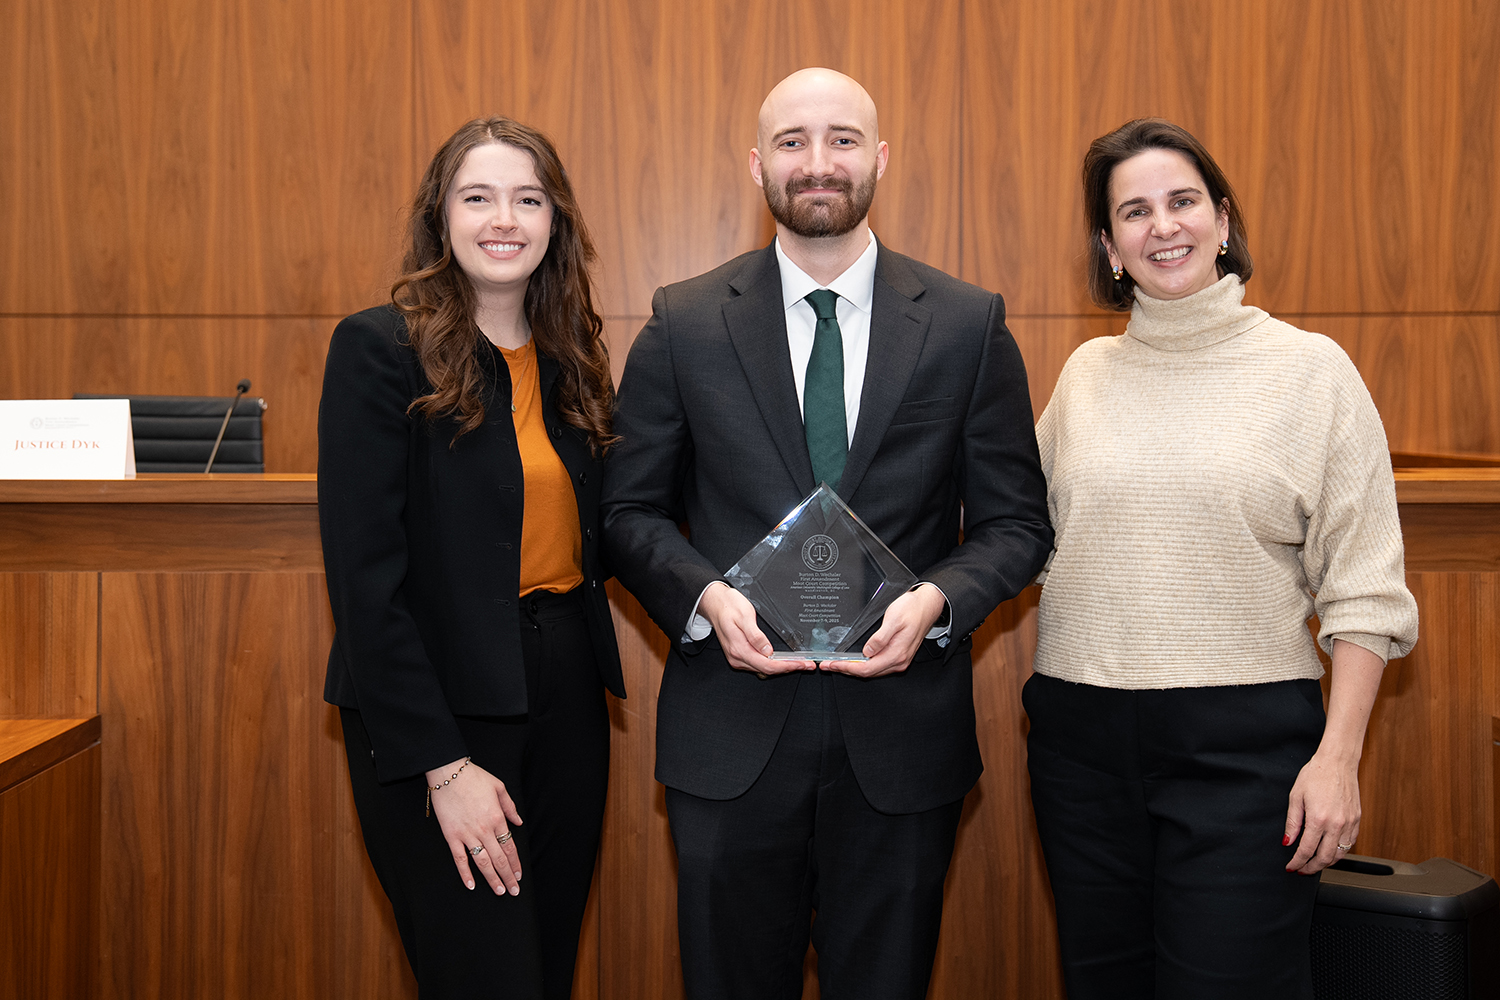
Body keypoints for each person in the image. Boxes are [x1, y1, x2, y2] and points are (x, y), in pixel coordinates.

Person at [601, 68, 1053, 1000]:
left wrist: (938, 601)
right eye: (794, 141)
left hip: (901, 747)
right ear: (757, 163)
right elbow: (626, 512)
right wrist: (703, 598)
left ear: (879, 158)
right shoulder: (683, 322)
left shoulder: (968, 325)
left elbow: (1014, 524)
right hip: (729, 739)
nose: (819, 162)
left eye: (843, 140)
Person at [1026, 117, 1420, 1000]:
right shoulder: (1084, 376)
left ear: (1224, 221)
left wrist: (1339, 758)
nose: (1163, 226)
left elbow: (1366, 592)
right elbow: (1028, 541)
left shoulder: (1312, 371)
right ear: (1109, 246)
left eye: (1182, 201)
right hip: (1079, 746)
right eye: (1135, 211)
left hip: (1247, 757)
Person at [317, 116, 625, 1000]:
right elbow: (366, 586)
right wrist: (441, 767)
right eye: (478, 197)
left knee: (546, 967)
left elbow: (615, 526)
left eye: (529, 199)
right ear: (440, 216)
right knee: (486, 977)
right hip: (435, 712)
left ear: (554, 221)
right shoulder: (379, 349)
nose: (505, 219)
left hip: (566, 696)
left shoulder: (573, 361)